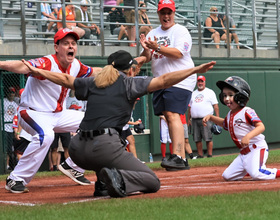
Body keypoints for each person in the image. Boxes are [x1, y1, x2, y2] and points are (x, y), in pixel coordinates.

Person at [22, 49, 216, 198]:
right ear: (130, 69)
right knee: (152, 181)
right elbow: (164, 80)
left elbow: (64, 79)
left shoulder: (93, 82)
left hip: (77, 149)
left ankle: (102, 184)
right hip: (103, 147)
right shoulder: (130, 83)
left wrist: (38, 70)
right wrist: (195, 69)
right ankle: (117, 179)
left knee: (108, 147)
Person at [2, 28, 102, 193]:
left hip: (58, 114)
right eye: (65, 43)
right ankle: (15, 179)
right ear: (56, 47)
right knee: (46, 135)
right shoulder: (48, 62)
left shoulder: (75, 64)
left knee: (95, 121)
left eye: (73, 43)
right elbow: (22, 66)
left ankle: (73, 166)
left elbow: (95, 72)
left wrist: (115, 70)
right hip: (32, 112)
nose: (71, 46)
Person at [140, 0, 196, 171]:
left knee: (172, 114)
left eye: (169, 12)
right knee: (168, 115)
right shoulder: (152, 33)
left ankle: (178, 155)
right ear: (158, 14)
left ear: (174, 13)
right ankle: (180, 158)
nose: (166, 16)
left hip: (180, 78)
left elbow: (179, 53)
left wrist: (156, 47)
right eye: (163, 13)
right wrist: (144, 51)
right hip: (161, 80)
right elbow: (148, 57)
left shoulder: (181, 31)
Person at [203, 76, 280, 181]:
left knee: (257, 174)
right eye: (224, 95)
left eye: (230, 95)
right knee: (227, 176)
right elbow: (224, 124)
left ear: (241, 96)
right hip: (244, 153)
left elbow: (261, 126)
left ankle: (274, 172)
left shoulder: (247, 111)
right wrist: (211, 117)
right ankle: (249, 168)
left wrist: (248, 136)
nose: (226, 99)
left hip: (256, 148)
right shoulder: (230, 114)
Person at [188, 75, 219, 158]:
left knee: (208, 137)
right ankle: (200, 155)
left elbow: (215, 106)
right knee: (197, 138)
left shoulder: (210, 92)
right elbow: (190, 107)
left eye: (202, 81)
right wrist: (188, 119)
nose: (200, 83)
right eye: (199, 81)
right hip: (195, 119)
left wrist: (217, 118)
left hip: (206, 118)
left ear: (204, 82)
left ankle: (209, 155)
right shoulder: (193, 93)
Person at [12, 89, 32, 161]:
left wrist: (17, 132)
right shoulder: (32, 106)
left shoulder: (21, 107)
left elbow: (20, 121)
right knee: (28, 153)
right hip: (31, 133)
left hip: (23, 134)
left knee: (20, 153)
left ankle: (23, 169)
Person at [4, 87, 19, 171]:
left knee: (12, 148)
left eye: (12, 93)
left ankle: (12, 165)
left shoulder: (15, 104)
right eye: (10, 93)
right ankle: (6, 166)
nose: (11, 94)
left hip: (12, 128)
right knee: (6, 148)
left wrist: (15, 130)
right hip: (4, 128)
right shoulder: (3, 101)